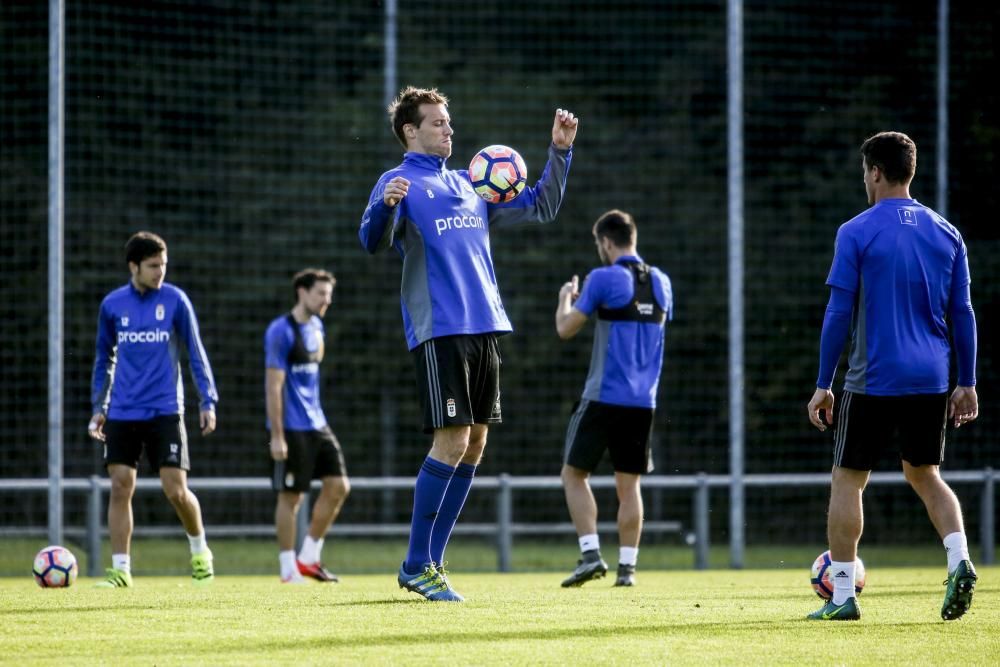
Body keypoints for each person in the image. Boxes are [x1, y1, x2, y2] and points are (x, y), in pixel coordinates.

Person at [359, 86, 579, 601]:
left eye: (449, 123)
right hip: (440, 330)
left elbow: (542, 207)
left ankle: (431, 561)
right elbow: (372, 240)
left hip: (485, 329)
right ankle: (416, 564)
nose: (448, 130)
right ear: (410, 131)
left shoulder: (470, 186)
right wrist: (382, 210)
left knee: (475, 444)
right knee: (452, 441)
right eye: (437, 123)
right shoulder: (397, 183)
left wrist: (560, 152)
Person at [806, 131, 979, 621]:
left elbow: (838, 312)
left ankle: (842, 597)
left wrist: (824, 382)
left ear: (876, 172)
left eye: (865, 172)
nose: (865, 180)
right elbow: (963, 313)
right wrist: (966, 381)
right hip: (931, 377)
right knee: (926, 475)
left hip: (874, 377)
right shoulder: (947, 233)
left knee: (847, 480)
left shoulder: (856, 231)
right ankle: (959, 559)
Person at [88, 231, 219, 588]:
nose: (160, 271)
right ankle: (120, 570)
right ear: (134, 267)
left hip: (165, 409)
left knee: (175, 489)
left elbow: (195, 351)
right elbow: (104, 358)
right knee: (120, 485)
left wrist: (207, 400)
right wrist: (98, 407)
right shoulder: (113, 305)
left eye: (163, 264)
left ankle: (199, 551)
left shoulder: (175, 300)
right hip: (122, 411)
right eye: (152, 265)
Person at [554, 210, 672, 588]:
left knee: (573, 475)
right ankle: (627, 570)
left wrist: (566, 299)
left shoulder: (603, 278)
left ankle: (590, 554)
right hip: (644, 402)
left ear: (606, 242)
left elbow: (565, 329)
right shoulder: (662, 282)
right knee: (629, 486)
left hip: (604, 396)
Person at [265, 268, 350, 584]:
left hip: (318, 423)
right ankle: (288, 569)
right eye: (321, 294)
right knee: (292, 497)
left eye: (329, 294)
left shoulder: (318, 327)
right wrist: (277, 435)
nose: (327, 300)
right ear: (302, 292)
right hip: (291, 427)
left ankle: (308, 557)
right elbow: (274, 386)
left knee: (339, 486)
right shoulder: (280, 331)